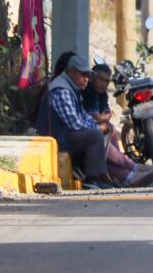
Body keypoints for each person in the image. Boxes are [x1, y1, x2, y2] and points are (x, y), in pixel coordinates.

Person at [82, 63, 153, 188]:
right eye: (101, 79)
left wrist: (103, 118)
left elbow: (105, 113)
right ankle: (132, 169)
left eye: (107, 81)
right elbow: (89, 117)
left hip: (95, 129)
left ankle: (128, 176)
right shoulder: (85, 92)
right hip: (85, 134)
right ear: (92, 77)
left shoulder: (102, 94)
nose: (104, 84)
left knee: (110, 131)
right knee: (102, 137)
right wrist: (101, 119)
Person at [47, 55, 114, 189]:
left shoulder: (73, 89)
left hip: (66, 133)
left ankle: (101, 176)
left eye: (88, 75)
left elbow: (83, 115)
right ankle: (91, 179)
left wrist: (98, 126)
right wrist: (97, 128)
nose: (86, 79)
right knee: (94, 135)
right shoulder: (62, 90)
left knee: (101, 131)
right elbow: (75, 123)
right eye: (83, 75)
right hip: (58, 136)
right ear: (71, 72)